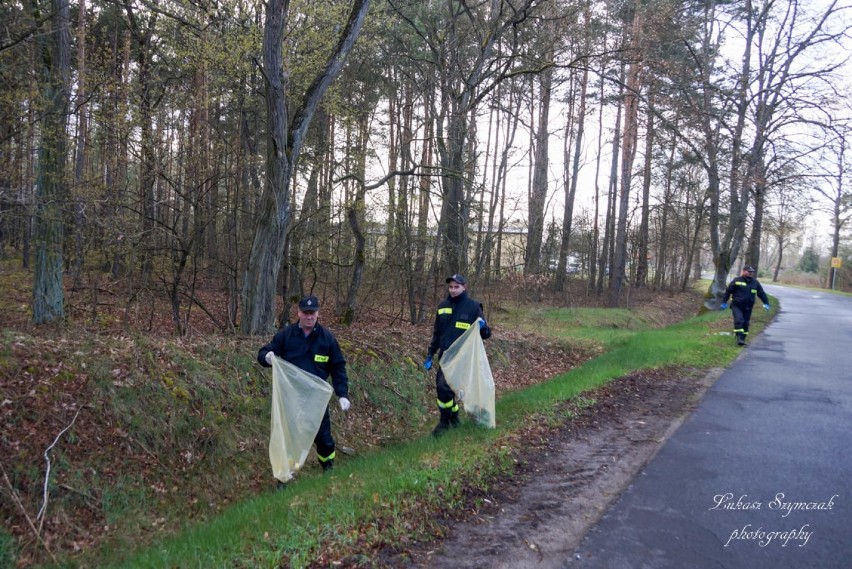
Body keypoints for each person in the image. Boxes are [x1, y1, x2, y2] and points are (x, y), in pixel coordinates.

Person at [258, 295, 350, 473]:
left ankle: (328, 466)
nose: (309, 316)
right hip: (292, 399)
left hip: (316, 400)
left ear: (318, 313)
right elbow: (264, 352)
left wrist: (342, 394)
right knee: (290, 437)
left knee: (323, 437)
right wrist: (267, 358)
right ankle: (285, 474)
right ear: (299, 313)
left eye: (312, 313)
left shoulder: (327, 339)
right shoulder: (287, 335)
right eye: (305, 312)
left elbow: (338, 367)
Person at [424, 274, 492, 436]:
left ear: (464, 287)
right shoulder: (442, 306)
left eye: (457, 287)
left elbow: (486, 334)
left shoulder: (474, 307)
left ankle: (444, 423)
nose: (453, 290)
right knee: (442, 390)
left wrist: (483, 327)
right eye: (451, 287)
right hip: (446, 357)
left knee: (448, 388)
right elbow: (437, 333)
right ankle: (453, 416)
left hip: (465, 359)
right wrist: (430, 354)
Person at [720, 265, 770, 346]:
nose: (750, 273)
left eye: (751, 272)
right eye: (748, 271)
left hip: (748, 307)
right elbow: (728, 292)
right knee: (739, 320)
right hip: (737, 305)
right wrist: (724, 302)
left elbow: (761, 294)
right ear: (743, 271)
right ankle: (739, 337)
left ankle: (743, 338)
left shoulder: (755, 282)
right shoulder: (737, 280)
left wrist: (766, 303)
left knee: (746, 323)